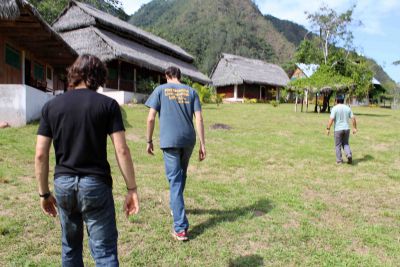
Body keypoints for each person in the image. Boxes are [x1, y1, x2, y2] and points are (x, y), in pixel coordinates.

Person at [35, 54, 139, 266]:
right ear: (98, 77)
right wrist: (132, 189)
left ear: (74, 74)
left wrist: (44, 193)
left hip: (63, 185)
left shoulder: (51, 107)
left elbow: (40, 154)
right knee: (104, 254)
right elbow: (122, 150)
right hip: (95, 186)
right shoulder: (108, 105)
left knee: (70, 249)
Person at [145, 66, 206, 241]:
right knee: (181, 175)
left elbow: (150, 118)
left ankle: (180, 228)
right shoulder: (191, 91)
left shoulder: (160, 90)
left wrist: (149, 141)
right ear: (179, 76)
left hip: (170, 141)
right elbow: (199, 119)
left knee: (175, 180)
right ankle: (176, 205)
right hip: (188, 140)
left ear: (167, 76)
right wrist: (203, 144)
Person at [326, 95, 357, 164]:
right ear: (343, 101)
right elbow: (353, 118)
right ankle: (348, 154)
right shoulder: (348, 108)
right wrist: (354, 128)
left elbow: (331, 119)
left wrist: (328, 128)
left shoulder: (334, 108)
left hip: (338, 129)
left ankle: (339, 161)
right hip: (346, 129)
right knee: (346, 143)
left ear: (336, 101)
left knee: (338, 145)